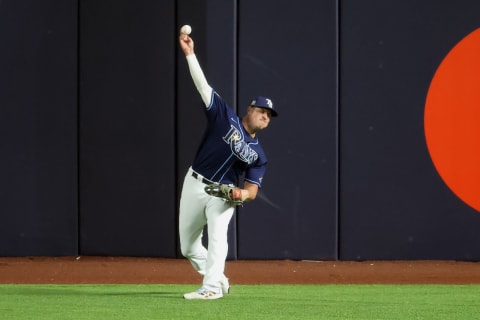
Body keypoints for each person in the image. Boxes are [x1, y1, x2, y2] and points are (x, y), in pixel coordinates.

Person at [178, 30, 278, 300]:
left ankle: (210, 288)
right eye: (261, 111)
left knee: (218, 237)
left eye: (269, 116)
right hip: (195, 182)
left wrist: (242, 194)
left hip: (223, 194)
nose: (265, 117)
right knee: (188, 247)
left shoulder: (259, 154)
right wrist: (190, 54)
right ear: (249, 109)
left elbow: (253, 190)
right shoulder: (224, 116)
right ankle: (219, 277)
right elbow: (202, 86)